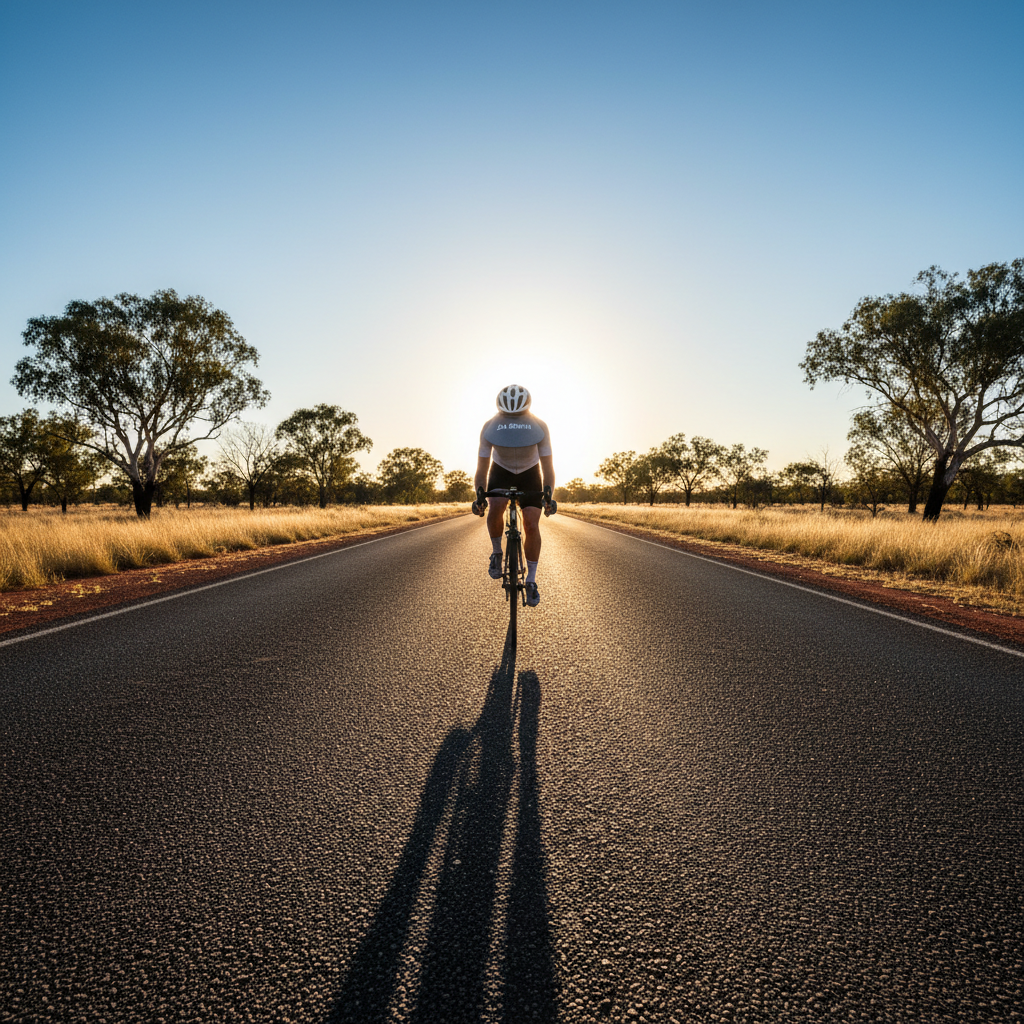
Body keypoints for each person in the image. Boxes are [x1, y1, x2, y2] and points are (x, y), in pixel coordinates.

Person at [471, 384, 556, 607]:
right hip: (501, 471)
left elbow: (548, 467)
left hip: (530, 472)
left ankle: (531, 580)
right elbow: (481, 469)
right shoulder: (489, 427)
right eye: (508, 416)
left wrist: (548, 496)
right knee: (496, 504)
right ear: (500, 412)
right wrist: (480, 497)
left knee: (531, 523)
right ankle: (497, 553)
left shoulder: (540, 427)